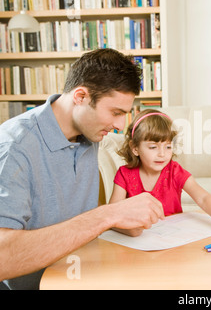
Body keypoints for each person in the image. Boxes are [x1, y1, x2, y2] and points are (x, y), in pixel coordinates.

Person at [0, 49, 166, 290]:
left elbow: (66, 217)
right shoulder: (14, 147)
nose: (120, 125)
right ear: (80, 96)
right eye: (115, 112)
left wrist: (122, 219)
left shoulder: (89, 133)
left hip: (83, 277)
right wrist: (108, 215)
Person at [109, 109, 211, 239]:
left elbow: (204, 198)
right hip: (137, 247)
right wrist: (129, 230)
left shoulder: (174, 171)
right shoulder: (124, 174)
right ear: (135, 148)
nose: (162, 154)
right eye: (153, 147)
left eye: (168, 146)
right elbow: (111, 215)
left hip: (173, 240)